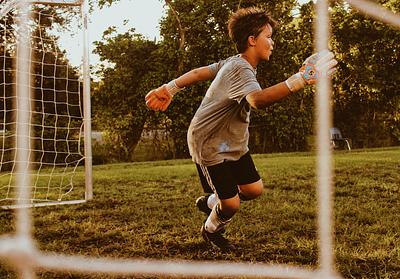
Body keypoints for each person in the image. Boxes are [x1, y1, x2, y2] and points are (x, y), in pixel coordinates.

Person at [145, 7, 337, 252]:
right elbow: (257, 100)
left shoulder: (233, 62)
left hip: (231, 143)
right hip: (210, 144)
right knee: (232, 205)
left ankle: (212, 201)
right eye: (268, 36)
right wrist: (301, 79)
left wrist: (169, 88)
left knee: (253, 189)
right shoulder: (240, 68)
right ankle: (211, 229)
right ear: (252, 40)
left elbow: (198, 72)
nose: (272, 42)